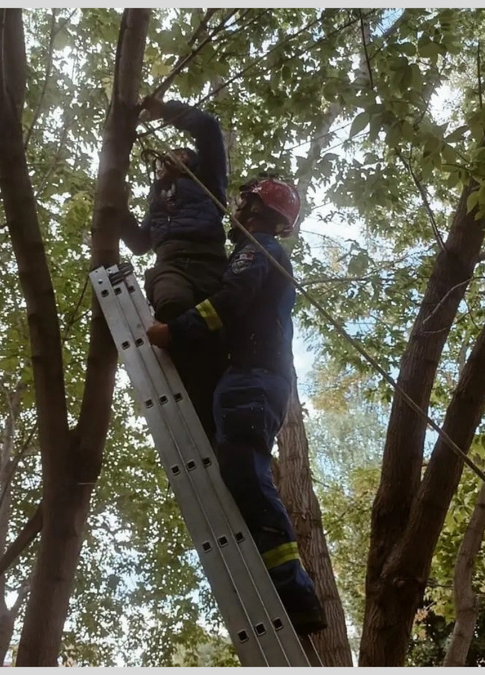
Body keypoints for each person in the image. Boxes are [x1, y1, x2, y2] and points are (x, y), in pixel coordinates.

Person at [145, 176, 328, 636]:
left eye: (246, 202)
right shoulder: (258, 251)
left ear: (260, 211)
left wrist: (179, 329)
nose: (238, 209)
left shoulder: (257, 248)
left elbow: (230, 300)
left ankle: (295, 592)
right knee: (238, 472)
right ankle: (283, 580)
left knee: (246, 472)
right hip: (252, 377)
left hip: (252, 377)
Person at [121, 96, 229, 444]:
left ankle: (210, 414)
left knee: (213, 338)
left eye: (179, 156)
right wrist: (118, 209)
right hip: (170, 266)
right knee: (170, 305)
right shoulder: (159, 201)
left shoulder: (208, 183)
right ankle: (191, 390)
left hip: (208, 265)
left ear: (192, 163)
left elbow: (209, 129)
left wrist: (165, 111)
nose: (167, 162)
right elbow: (140, 244)